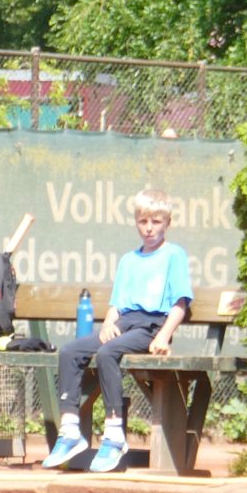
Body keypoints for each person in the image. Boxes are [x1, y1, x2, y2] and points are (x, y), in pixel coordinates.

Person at [44, 187, 192, 474]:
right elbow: (117, 304)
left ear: (167, 223)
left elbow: (180, 305)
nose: (149, 228)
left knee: (107, 353)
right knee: (70, 351)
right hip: (125, 323)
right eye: (143, 221)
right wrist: (109, 324)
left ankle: (114, 436)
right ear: (136, 222)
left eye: (156, 222)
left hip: (152, 326)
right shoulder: (128, 260)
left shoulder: (174, 255)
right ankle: (70, 430)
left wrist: (163, 336)